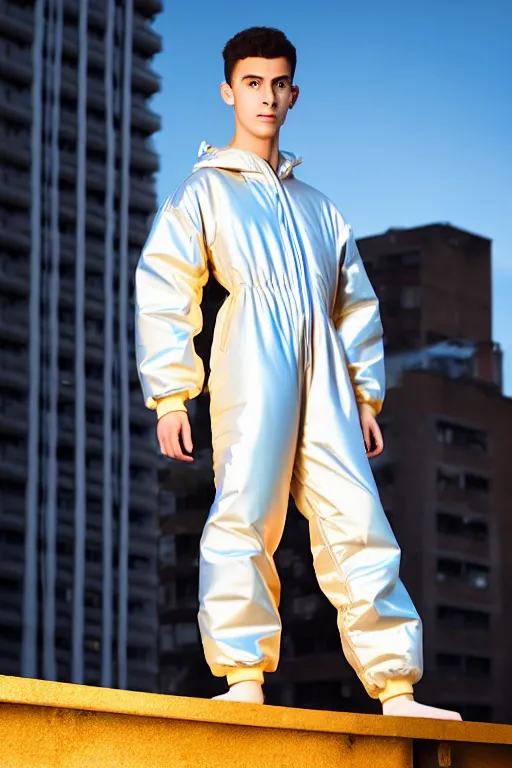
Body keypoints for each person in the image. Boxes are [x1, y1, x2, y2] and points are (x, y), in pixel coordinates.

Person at [134, 26, 461, 720]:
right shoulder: (204, 192)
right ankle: (243, 678)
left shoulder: (320, 208)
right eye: (252, 82)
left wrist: (366, 393)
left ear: (294, 94)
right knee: (246, 505)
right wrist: (170, 395)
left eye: (278, 83)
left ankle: (397, 689)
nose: (266, 97)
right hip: (250, 357)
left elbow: (356, 303)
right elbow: (166, 285)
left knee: (357, 517)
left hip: (328, 377)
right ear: (229, 90)